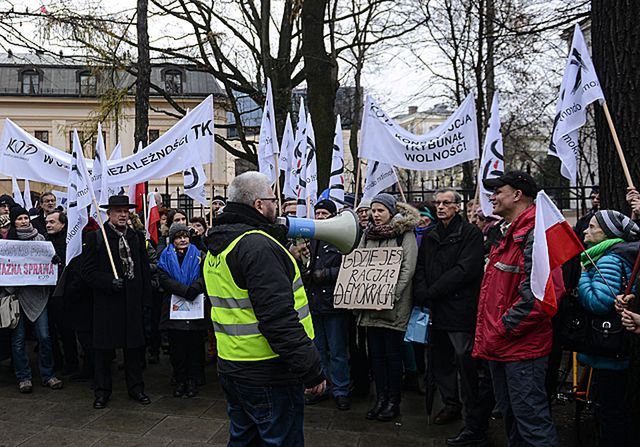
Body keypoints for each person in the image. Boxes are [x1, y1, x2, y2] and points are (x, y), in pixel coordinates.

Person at [203, 172, 324, 446]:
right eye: (272, 198)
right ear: (259, 205)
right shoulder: (257, 246)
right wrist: (310, 367)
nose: (277, 205)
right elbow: (278, 319)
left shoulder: (220, 243)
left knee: (244, 439)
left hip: (233, 365)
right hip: (268, 371)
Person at [473, 171, 558, 447]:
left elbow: (539, 297)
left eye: (498, 191)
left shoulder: (536, 234)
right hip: (503, 346)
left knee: (531, 423)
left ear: (517, 195)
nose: (493, 197)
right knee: (513, 419)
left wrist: (501, 329)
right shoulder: (509, 232)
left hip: (521, 348)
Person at [413, 189, 493, 445]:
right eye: (438, 203)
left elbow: (465, 270)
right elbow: (422, 266)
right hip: (436, 310)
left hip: (459, 309)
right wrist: (421, 291)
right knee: (441, 361)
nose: (440, 207)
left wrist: (432, 291)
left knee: (465, 361)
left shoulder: (469, 234)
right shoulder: (431, 235)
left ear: (457, 207)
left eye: (446, 203)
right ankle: (450, 403)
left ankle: (473, 415)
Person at [82, 195, 153, 409]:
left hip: (131, 302)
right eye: (118, 211)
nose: (122, 215)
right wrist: (107, 282)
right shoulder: (97, 238)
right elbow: (87, 272)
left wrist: (145, 298)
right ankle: (102, 391)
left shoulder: (136, 237)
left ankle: (136, 388)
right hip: (107, 303)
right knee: (103, 351)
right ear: (109, 213)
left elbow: (143, 268)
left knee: (134, 348)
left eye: (125, 211)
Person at [578, 210, 637, 446]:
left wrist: (582, 276)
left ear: (608, 234)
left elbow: (598, 302)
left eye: (593, 227)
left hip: (610, 346)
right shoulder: (605, 254)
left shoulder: (608, 259)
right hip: (611, 347)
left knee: (611, 407)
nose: (585, 230)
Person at [358, 193, 419, 422]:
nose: (375, 214)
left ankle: (393, 402)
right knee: (376, 356)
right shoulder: (368, 234)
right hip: (370, 306)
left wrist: (389, 295)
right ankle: (380, 399)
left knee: (392, 356)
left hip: (393, 307)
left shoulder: (405, 234)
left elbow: (407, 269)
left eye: (380, 210)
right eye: (373, 210)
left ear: (391, 212)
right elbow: (360, 264)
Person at [6, 206, 63, 393]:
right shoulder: (8, 243)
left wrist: (54, 261)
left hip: (39, 296)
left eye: (25, 217)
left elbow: (48, 260)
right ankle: (24, 377)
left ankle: (48, 375)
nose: (23, 221)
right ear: (14, 222)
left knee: (45, 337)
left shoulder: (41, 240)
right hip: (16, 296)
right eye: (19, 218)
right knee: (19, 339)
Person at [304, 199, 351, 411]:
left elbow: (349, 267)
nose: (320, 217)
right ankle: (322, 388)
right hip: (315, 303)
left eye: (324, 214)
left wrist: (326, 274)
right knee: (319, 350)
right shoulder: (312, 240)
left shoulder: (341, 238)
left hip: (334, 304)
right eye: (318, 213)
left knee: (338, 351)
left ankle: (341, 390)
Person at [158, 223, 207, 398]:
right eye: (178, 237)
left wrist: (195, 288)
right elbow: (163, 277)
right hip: (174, 309)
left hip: (195, 308)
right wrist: (183, 290)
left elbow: (206, 274)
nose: (183, 240)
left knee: (194, 348)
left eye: (185, 236)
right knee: (177, 349)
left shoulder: (199, 255)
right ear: (173, 240)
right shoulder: (166, 256)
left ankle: (192, 380)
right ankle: (180, 380)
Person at [45, 210, 80, 375]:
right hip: (47, 294)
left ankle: (72, 364)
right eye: (47, 222)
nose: (48, 225)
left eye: (52, 222)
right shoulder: (43, 242)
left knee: (67, 332)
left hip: (66, 295)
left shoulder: (70, 243)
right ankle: (57, 363)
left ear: (63, 224)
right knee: (50, 331)